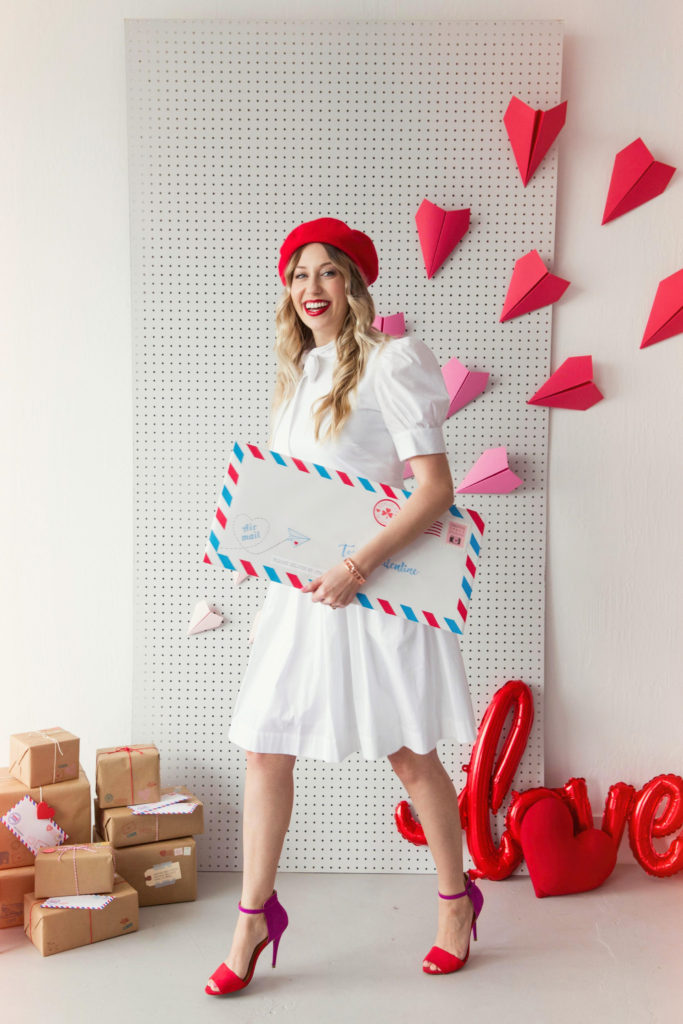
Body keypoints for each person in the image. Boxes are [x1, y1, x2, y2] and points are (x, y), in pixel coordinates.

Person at [205, 217, 484, 996]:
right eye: (297, 274)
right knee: (265, 746)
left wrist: (358, 565)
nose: (310, 289)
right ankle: (253, 920)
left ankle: (455, 905)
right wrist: (251, 555)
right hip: (303, 597)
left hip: (377, 591)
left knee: (407, 752)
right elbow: (302, 500)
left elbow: (434, 490)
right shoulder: (298, 376)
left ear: (356, 285)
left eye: (328, 273)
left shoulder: (393, 362)